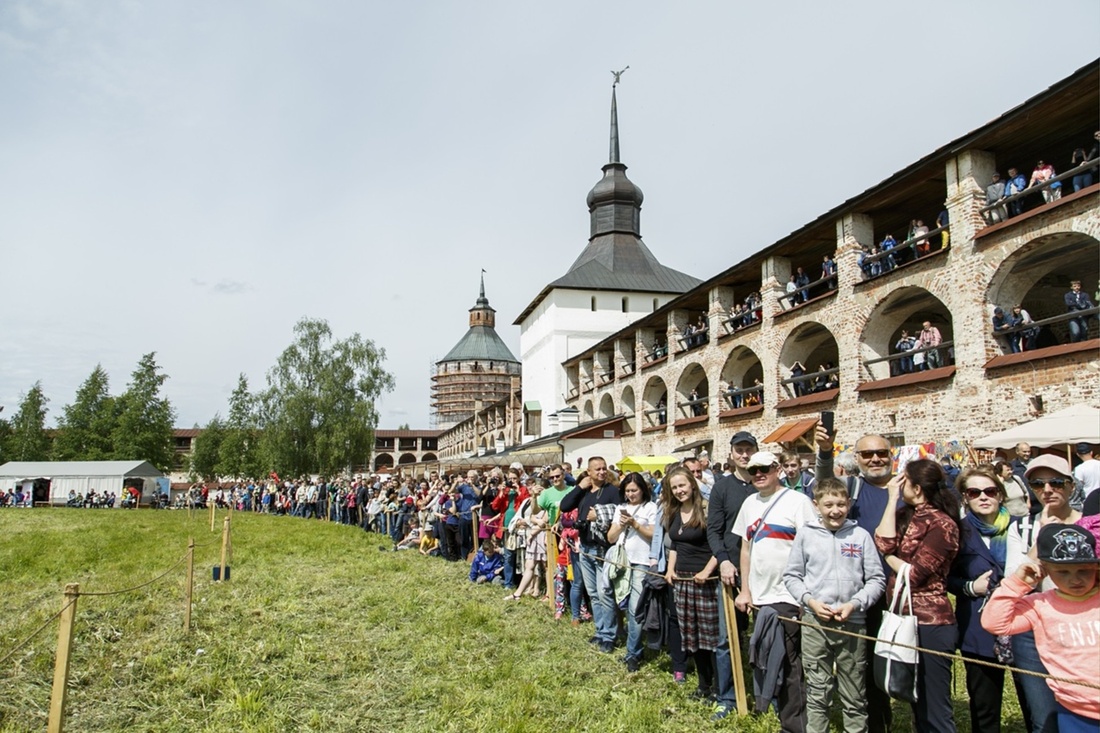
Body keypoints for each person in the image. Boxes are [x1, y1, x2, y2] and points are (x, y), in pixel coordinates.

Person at [783, 478, 885, 733]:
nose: (835, 510)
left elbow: (876, 578)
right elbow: (792, 576)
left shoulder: (860, 536)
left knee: (855, 692)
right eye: (828, 504)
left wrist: (856, 603)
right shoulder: (806, 535)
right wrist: (810, 601)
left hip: (852, 623)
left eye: (841, 504)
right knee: (818, 690)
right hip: (815, 622)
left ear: (849, 504)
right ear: (816, 505)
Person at [815, 428, 899, 733]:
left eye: (881, 453)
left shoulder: (907, 488)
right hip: (865, 595)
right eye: (867, 454)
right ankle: (878, 722)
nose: (875, 459)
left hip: (905, 594)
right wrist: (825, 452)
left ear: (892, 456)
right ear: (857, 458)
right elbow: (825, 485)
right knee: (868, 668)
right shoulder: (854, 488)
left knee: (908, 665)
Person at [982, 523, 1100, 732]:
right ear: (1045, 571)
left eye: (1084, 570)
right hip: (1074, 711)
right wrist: (1018, 583)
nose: (1075, 579)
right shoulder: (1039, 605)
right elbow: (994, 622)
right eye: (1063, 572)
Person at [875, 459, 962, 733]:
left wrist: (888, 557)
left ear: (917, 486)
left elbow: (914, 575)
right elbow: (884, 541)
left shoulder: (943, 524)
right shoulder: (906, 514)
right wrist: (891, 500)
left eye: (904, 480)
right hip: (904, 618)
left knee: (935, 706)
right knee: (914, 698)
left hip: (930, 622)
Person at [734, 451, 816, 733]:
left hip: (788, 596)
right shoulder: (749, 503)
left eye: (764, 469)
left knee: (790, 664)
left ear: (777, 469)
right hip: (760, 596)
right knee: (769, 657)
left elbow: (811, 549)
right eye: (753, 470)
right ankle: (785, 715)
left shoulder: (799, 502)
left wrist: (805, 595)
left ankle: (795, 726)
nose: (758, 474)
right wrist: (745, 590)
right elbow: (745, 549)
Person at [1005, 454, 1083, 733]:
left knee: (1085, 711)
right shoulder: (1023, 527)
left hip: (1084, 625)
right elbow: (1016, 578)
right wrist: (1043, 536)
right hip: (1036, 629)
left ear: (1071, 486)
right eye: (1038, 484)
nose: (1047, 490)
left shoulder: (1091, 524)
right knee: (1044, 718)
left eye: (1056, 482)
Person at [947, 467, 1012, 733]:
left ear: (1001, 494)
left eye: (990, 491)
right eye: (974, 492)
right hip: (978, 623)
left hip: (1023, 623)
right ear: (965, 498)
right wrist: (971, 587)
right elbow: (946, 578)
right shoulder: (958, 532)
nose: (983, 497)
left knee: (1036, 702)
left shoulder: (1021, 527)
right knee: (985, 705)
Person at [705, 430, 759, 720]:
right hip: (732, 574)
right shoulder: (722, 488)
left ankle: (766, 696)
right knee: (727, 639)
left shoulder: (768, 484)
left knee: (764, 639)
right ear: (732, 454)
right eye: (739, 450)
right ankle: (727, 696)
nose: (745, 455)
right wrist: (724, 561)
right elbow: (714, 531)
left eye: (749, 449)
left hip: (765, 576)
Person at [659, 465, 720, 703]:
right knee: (691, 636)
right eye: (674, 487)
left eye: (682, 485)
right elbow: (675, 545)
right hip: (682, 581)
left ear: (692, 484)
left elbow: (721, 545)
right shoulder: (673, 512)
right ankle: (703, 685)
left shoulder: (706, 509)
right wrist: (670, 570)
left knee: (710, 637)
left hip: (705, 581)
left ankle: (718, 686)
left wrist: (706, 571)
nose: (679, 491)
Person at [559, 457, 621, 653]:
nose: (602, 472)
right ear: (589, 472)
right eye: (597, 469)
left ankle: (610, 636)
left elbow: (620, 513)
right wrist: (579, 486)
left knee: (605, 594)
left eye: (604, 468)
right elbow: (565, 505)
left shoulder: (612, 491)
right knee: (593, 594)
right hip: (584, 547)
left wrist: (599, 516)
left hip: (602, 549)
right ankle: (600, 631)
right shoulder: (585, 491)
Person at [607, 472, 657, 672]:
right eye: (627, 491)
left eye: (634, 490)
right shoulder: (620, 508)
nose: (630, 495)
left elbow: (654, 535)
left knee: (636, 609)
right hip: (622, 562)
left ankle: (633, 654)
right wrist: (621, 525)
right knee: (625, 607)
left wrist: (636, 524)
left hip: (642, 563)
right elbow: (610, 537)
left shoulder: (651, 508)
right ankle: (634, 647)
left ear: (642, 490)